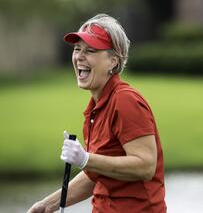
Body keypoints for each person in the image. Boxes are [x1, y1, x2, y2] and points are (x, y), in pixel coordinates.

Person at [27, 14, 166, 213]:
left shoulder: (125, 100)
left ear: (113, 61)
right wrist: (47, 205)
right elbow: (95, 174)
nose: (79, 57)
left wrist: (86, 159)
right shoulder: (96, 106)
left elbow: (145, 166)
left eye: (90, 50)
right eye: (77, 49)